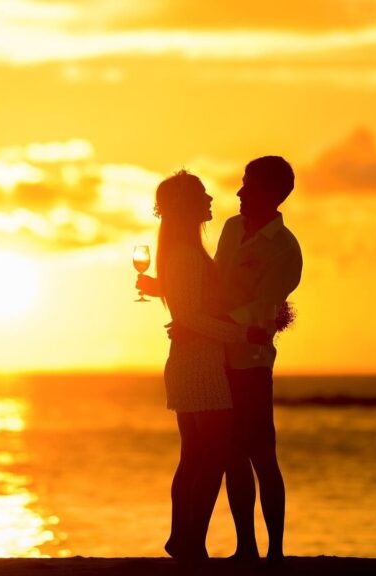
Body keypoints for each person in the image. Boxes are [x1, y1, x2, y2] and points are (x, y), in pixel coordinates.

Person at [139, 156, 303, 564]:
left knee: (258, 453)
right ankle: (235, 546)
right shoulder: (230, 229)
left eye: (249, 185)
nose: (238, 192)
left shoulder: (285, 248)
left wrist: (197, 322)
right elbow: (204, 292)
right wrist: (183, 309)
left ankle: (271, 552)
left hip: (247, 359)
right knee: (220, 455)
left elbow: (262, 306)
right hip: (211, 358)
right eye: (242, 183)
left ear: (272, 193)